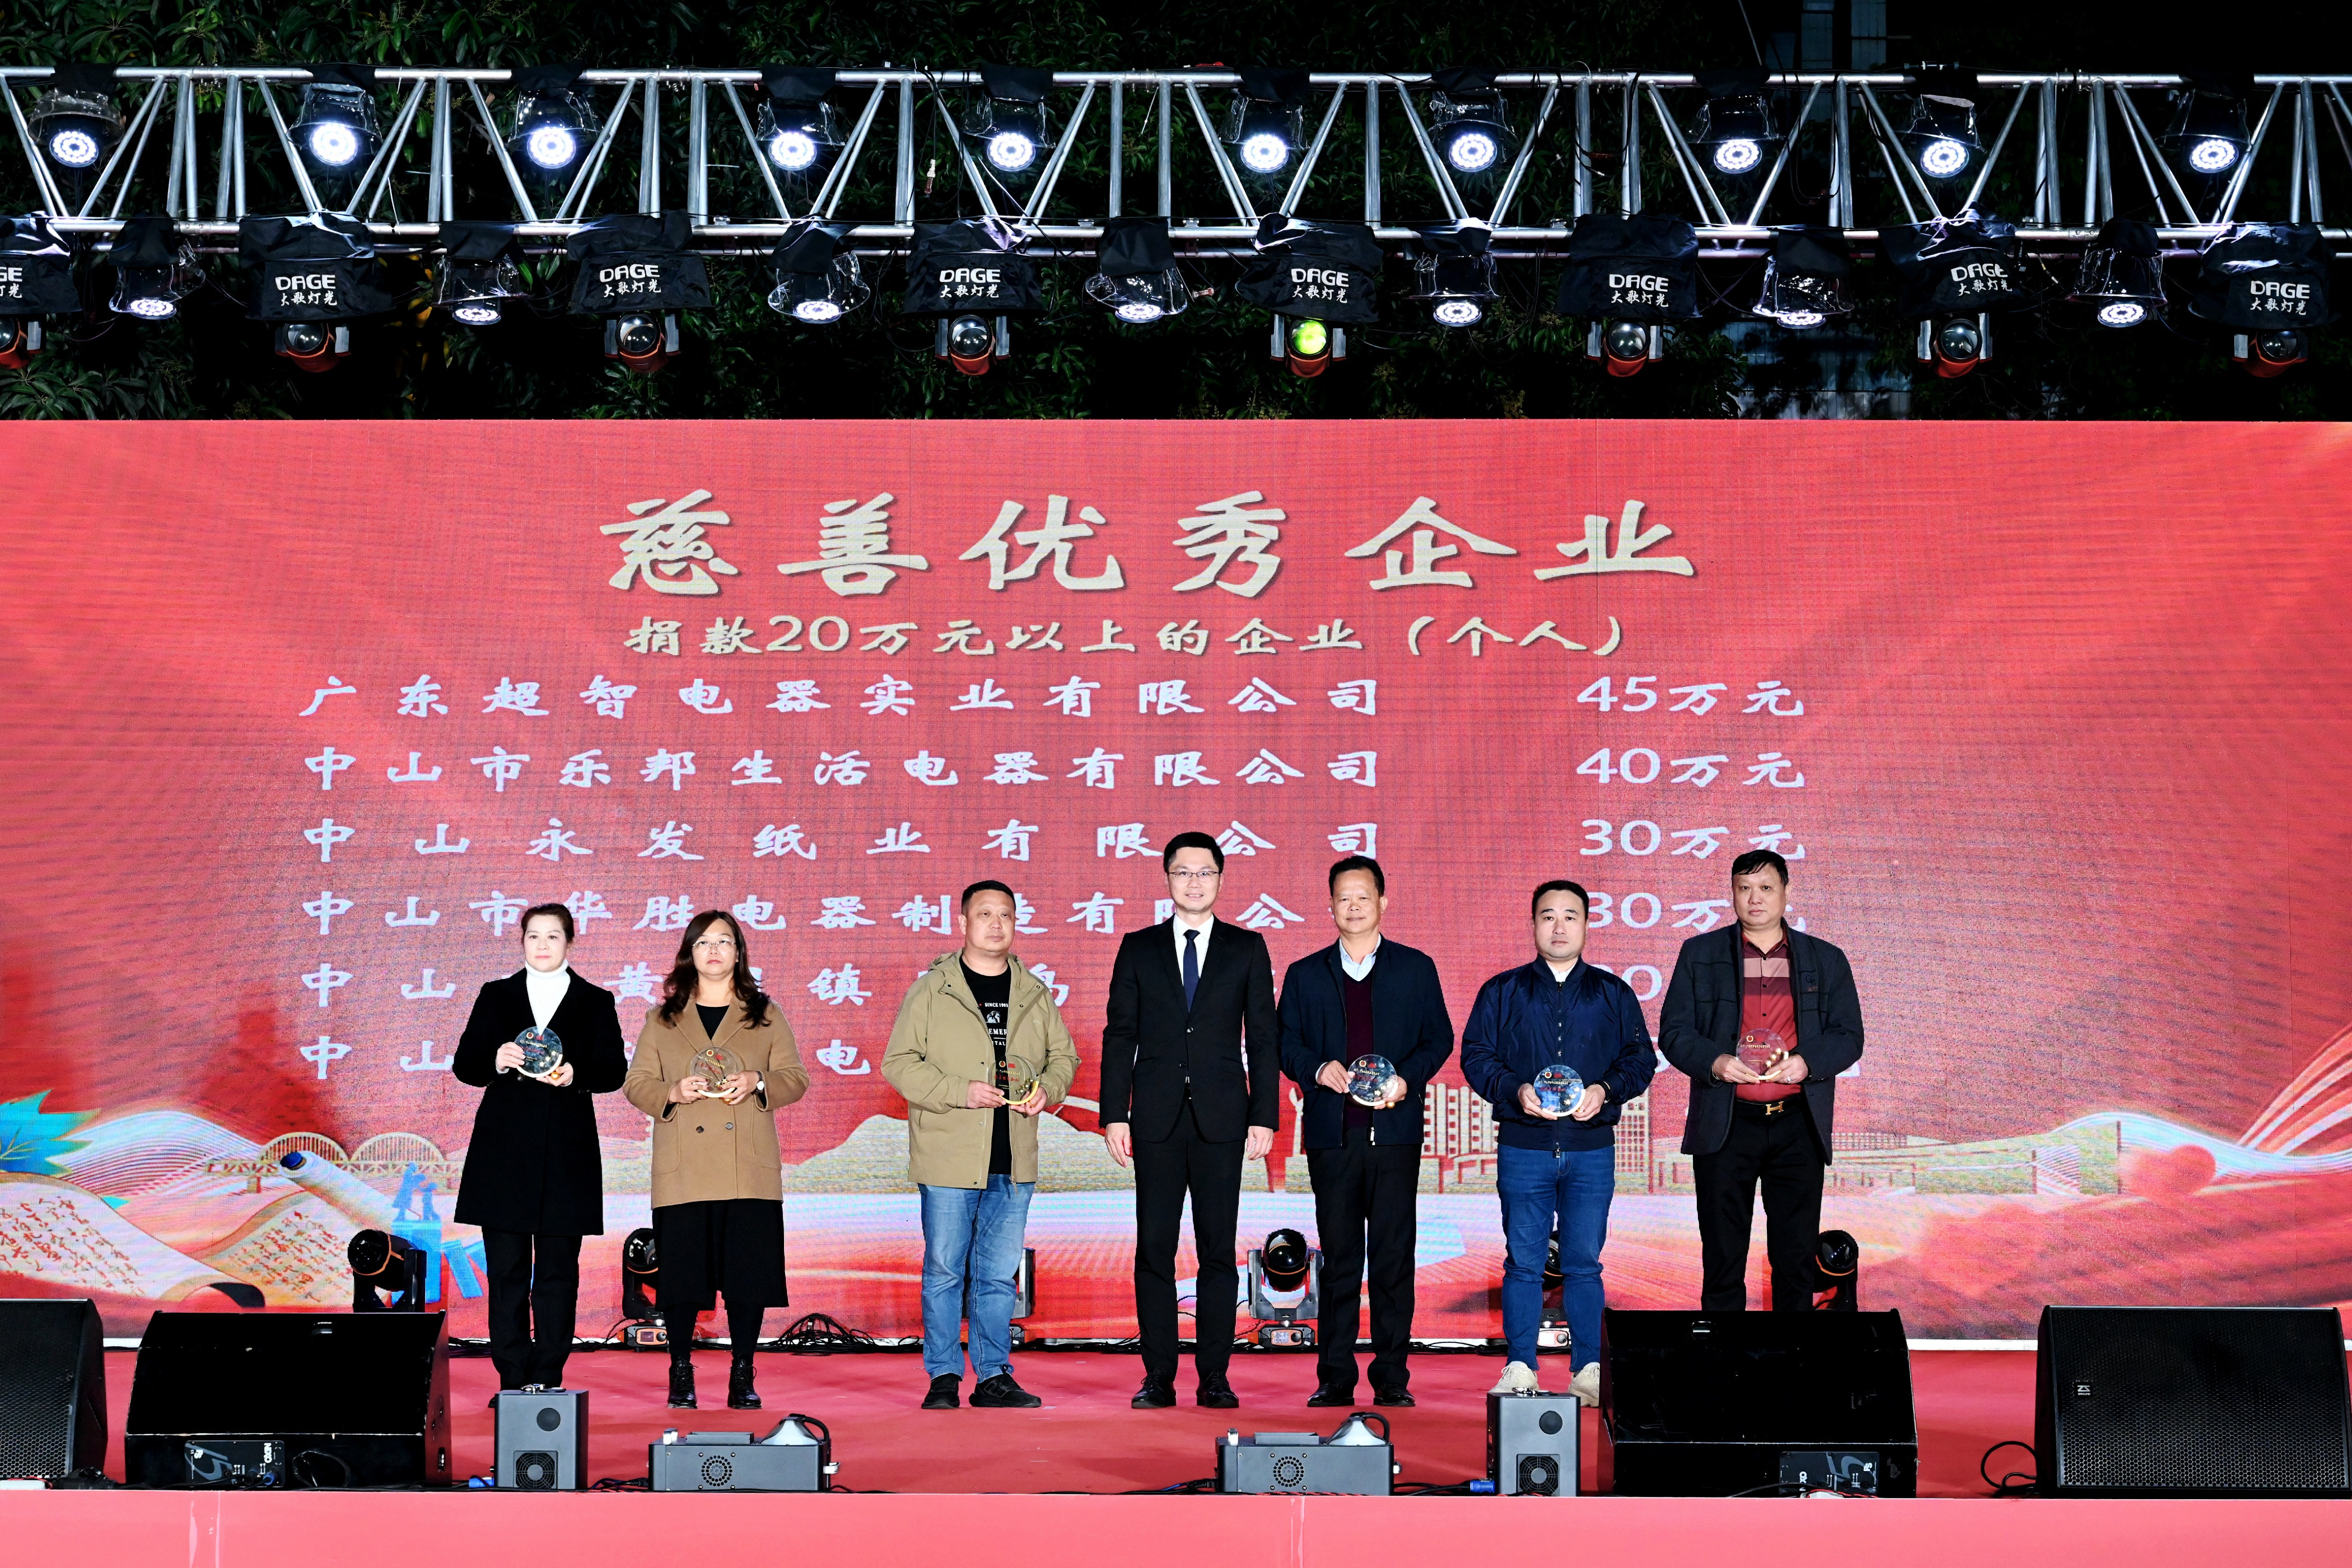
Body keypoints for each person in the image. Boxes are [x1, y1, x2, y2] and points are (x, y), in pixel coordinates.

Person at [883, 880, 1080, 1411]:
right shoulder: (933, 990)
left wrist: (1049, 1089)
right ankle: (944, 1376)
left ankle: (994, 1376)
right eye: (985, 914)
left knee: (996, 1276)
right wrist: (959, 1091)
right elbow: (898, 1064)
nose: (997, 924)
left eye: (1006, 915)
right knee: (945, 1271)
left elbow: (1065, 1058)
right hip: (949, 1155)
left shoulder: (1034, 991)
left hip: (1013, 1158)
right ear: (963, 923)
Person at [1100, 831, 1280, 1411]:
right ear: (1167, 879)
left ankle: (1214, 1375)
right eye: (1183, 872)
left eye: (1204, 872)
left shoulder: (1246, 947)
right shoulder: (1139, 947)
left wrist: (1265, 1115)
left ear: (1220, 880)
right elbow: (1120, 1034)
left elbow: (1264, 1037)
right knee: (1153, 1248)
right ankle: (1157, 1375)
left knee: (1217, 1251)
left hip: (1223, 1118)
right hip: (1153, 1119)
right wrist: (1114, 1114)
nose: (1194, 882)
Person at [1459, 880, 1655, 1406]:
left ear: (1587, 925)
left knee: (1584, 1263)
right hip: (1524, 1147)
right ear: (1533, 925)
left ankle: (1589, 1369)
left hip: (1591, 1149)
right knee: (1523, 1262)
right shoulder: (1502, 991)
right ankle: (1520, 1367)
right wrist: (1515, 1090)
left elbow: (1640, 1060)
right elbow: (1476, 1055)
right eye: (1548, 916)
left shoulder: (1614, 993)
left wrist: (1605, 1090)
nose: (1560, 926)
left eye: (1571, 916)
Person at [1277, 855, 1454, 1407]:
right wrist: (1316, 1069)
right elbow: (1284, 1043)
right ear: (1330, 905)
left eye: (1363, 896)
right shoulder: (1305, 974)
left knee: (1394, 1258)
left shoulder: (1415, 968)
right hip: (1333, 1137)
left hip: (1394, 1135)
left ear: (1383, 902)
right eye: (1343, 898)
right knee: (1339, 1260)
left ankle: (1392, 1377)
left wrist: (1407, 1079)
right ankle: (1335, 1376)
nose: (1353, 906)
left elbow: (1439, 1039)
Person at [1659, 849, 1865, 1313]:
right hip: (1727, 1122)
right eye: (1744, 889)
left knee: (1795, 1257)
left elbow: (1848, 1036)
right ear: (1732, 894)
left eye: (1766, 888)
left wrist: (1807, 1062)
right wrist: (1715, 1062)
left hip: (1797, 1124)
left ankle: (1792, 1354)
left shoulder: (1826, 959)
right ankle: (1726, 1354)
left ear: (1787, 893)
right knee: (1723, 1255)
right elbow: (1674, 1032)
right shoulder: (1700, 955)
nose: (1755, 899)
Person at [622, 910, 809, 1410]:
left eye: (724, 942)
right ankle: (680, 1371)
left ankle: (742, 1373)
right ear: (690, 953)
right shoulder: (662, 1018)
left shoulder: (765, 1014)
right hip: (684, 1168)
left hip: (747, 1168)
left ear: (739, 953)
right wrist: (672, 1091)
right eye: (703, 942)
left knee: (747, 1280)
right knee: (682, 1280)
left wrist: (758, 1081)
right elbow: (636, 1084)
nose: (714, 951)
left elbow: (796, 1078)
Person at [452, 903, 628, 1399]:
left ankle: (548, 1377)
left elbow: (614, 1071)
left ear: (570, 941)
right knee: (506, 1272)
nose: (543, 944)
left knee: (557, 1273)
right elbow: (465, 1065)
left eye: (553, 936)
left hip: (566, 1155)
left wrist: (576, 1074)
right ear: (522, 942)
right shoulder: (497, 995)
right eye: (534, 936)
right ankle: (512, 1380)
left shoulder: (595, 1000)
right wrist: (496, 1059)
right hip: (503, 1153)